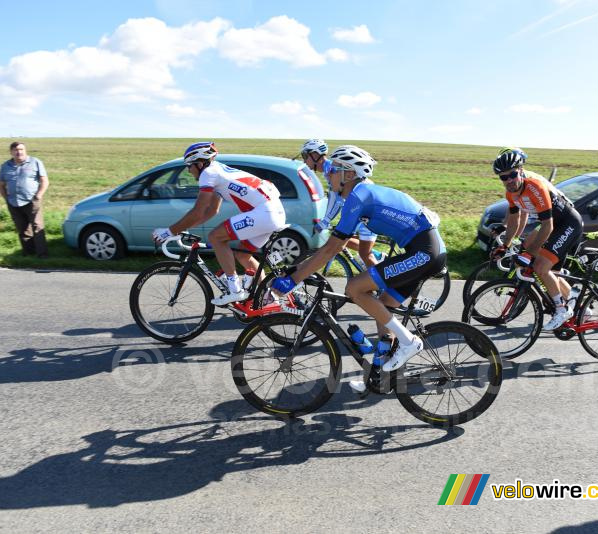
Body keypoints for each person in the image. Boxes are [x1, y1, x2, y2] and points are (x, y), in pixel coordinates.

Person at [272, 145, 446, 378]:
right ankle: (381, 369)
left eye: (333, 169)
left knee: (354, 288)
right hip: (426, 250)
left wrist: (293, 280)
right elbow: (331, 248)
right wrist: (297, 270)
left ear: (349, 174)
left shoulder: (358, 197)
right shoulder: (359, 195)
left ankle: (409, 341)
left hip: (424, 253)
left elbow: (332, 249)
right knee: (383, 304)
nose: (327, 173)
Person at [152, 142, 286, 305]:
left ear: (200, 163)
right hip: (273, 212)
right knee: (243, 255)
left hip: (264, 213)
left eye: (189, 165)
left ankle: (235, 290)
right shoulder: (217, 171)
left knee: (216, 237)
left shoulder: (208, 174)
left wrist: (169, 231)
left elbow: (198, 211)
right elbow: (211, 211)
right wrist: (183, 228)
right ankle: (268, 296)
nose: (188, 170)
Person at [491, 147, 584, 330]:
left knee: (540, 265)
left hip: (568, 223)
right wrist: (506, 245)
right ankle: (579, 305)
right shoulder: (511, 193)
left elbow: (547, 226)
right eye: (503, 177)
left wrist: (529, 254)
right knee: (545, 267)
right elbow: (515, 219)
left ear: (521, 171)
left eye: (512, 175)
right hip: (554, 225)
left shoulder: (535, 187)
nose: (509, 180)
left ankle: (561, 308)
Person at [299, 138, 382, 269]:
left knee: (362, 252)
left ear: (314, 155)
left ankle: (383, 281)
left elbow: (336, 200)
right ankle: (376, 263)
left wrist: (325, 221)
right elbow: (335, 199)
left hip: (365, 207)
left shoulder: (333, 169)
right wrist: (326, 220)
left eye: (305, 156)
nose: (304, 161)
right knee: (344, 240)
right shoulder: (330, 169)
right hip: (360, 205)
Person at [0, 142, 49, 258]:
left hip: (32, 200)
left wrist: (39, 195)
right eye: (16, 150)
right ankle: (28, 253)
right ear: (11, 152)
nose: (19, 152)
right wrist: (7, 198)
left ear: (25, 151)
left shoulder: (35, 162)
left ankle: (42, 255)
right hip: (13, 202)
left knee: (37, 226)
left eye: (21, 149)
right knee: (22, 228)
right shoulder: (5, 166)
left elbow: (44, 180)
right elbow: (1, 185)